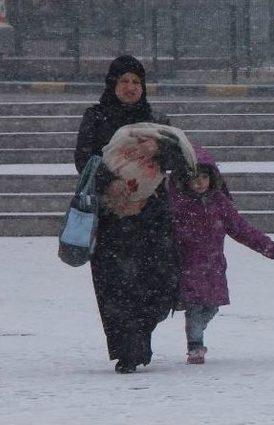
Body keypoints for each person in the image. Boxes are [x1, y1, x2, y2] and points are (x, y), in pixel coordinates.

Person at [75, 55, 190, 374]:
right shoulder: (97, 117)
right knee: (117, 285)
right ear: (113, 85)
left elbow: (181, 161)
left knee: (161, 281)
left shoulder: (156, 120)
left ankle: (139, 336)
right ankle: (129, 349)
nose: (130, 88)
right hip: (113, 216)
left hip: (151, 214)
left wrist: (159, 150)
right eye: (124, 81)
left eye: (136, 82)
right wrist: (111, 184)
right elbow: (84, 158)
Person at [168, 151, 274, 365]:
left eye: (204, 177)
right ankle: (195, 345)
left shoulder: (218, 203)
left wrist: (266, 246)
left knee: (211, 306)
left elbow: (241, 228)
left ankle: (197, 331)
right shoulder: (179, 205)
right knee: (194, 306)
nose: (200, 183)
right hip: (187, 264)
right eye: (195, 178)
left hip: (213, 266)